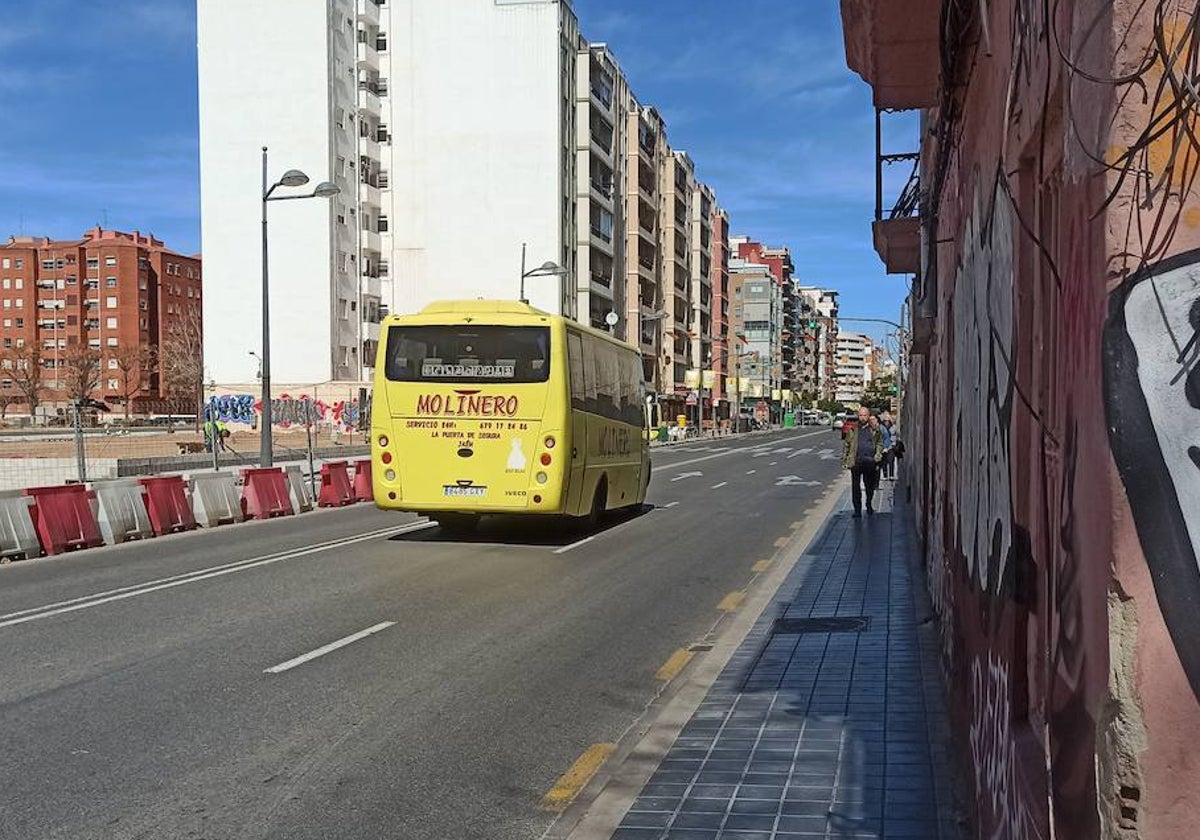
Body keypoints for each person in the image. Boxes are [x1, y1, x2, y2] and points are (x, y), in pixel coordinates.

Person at [842, 405, 883, 517]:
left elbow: (879, 443)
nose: (862, 417)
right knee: (856, 487)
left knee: (869, 485)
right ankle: (857, 509)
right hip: (856, 462)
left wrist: (878, 455)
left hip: (870, 462)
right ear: (858, 416)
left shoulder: (874, 430)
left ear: (869, 416)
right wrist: (845, 461)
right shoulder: (853, 430)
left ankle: (869, 504)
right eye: (860, 415)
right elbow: (847, 445)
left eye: (865, 415)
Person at [879, 411, 896, 480]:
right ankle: (885, 475)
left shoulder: (893, 427)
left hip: (891, 446)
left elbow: (896, 434)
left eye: (888, 421)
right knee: (884, 462)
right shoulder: (881, 428)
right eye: (885, 421)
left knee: (891, 461)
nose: (886, 422)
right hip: (883, 446)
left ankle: (891, 475)